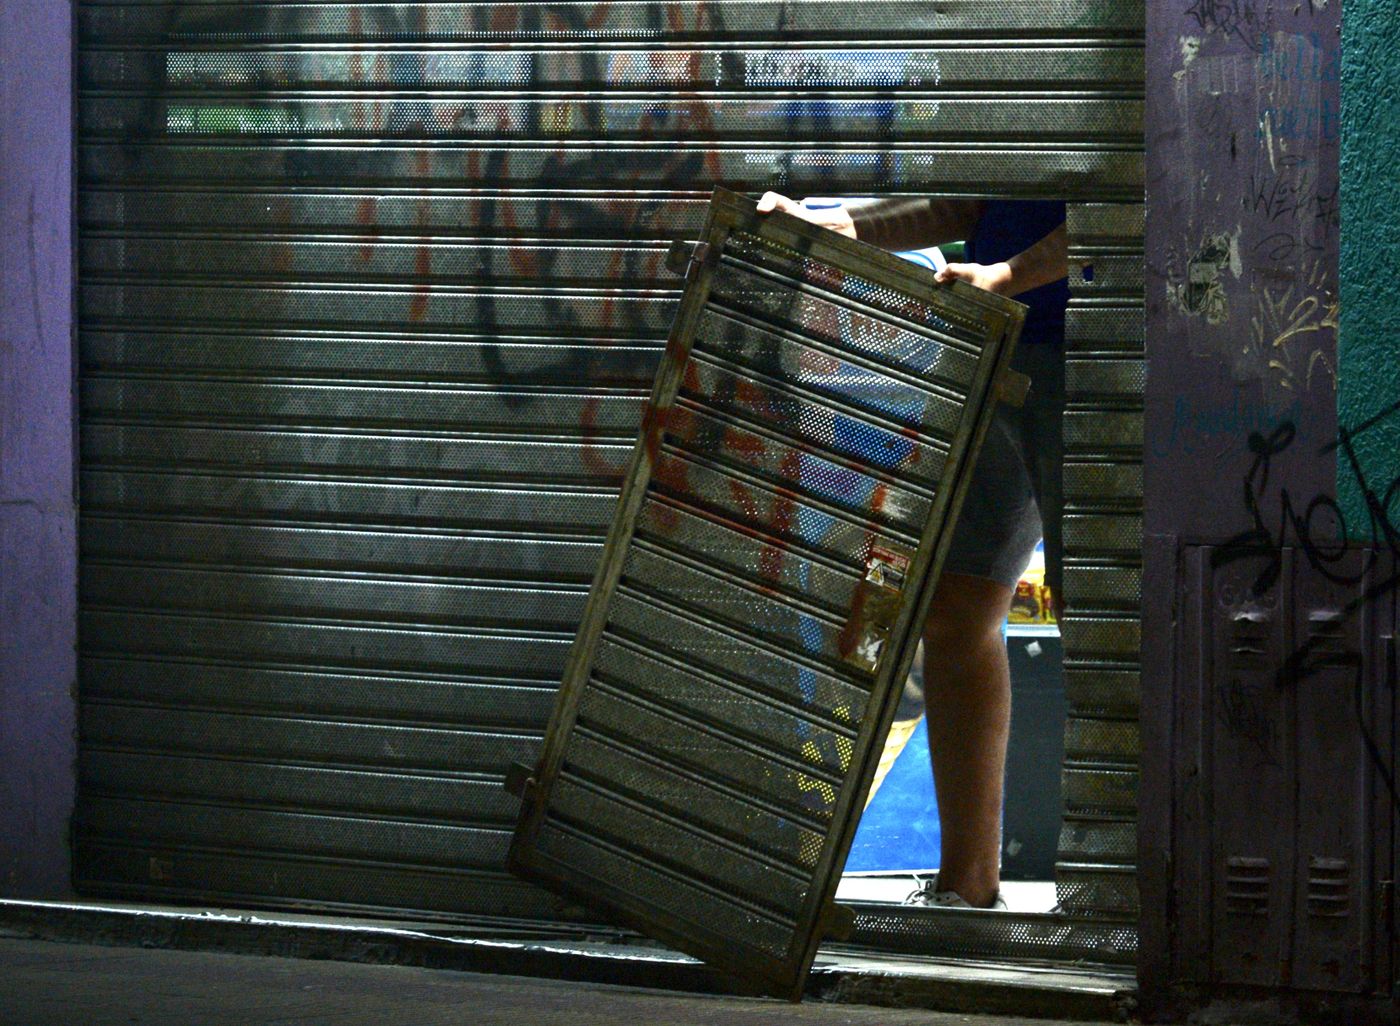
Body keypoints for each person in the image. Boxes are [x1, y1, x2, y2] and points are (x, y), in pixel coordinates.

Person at [757, 193, 1070, 910]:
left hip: (1099, 350)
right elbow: (973, 201)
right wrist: (839, 226)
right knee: (955, 610)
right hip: (996, 347)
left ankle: (1126, 895)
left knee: (1114, 631)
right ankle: (968, 884)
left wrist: (1011, 274)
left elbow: (1130, 204)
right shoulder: (1015, 96)